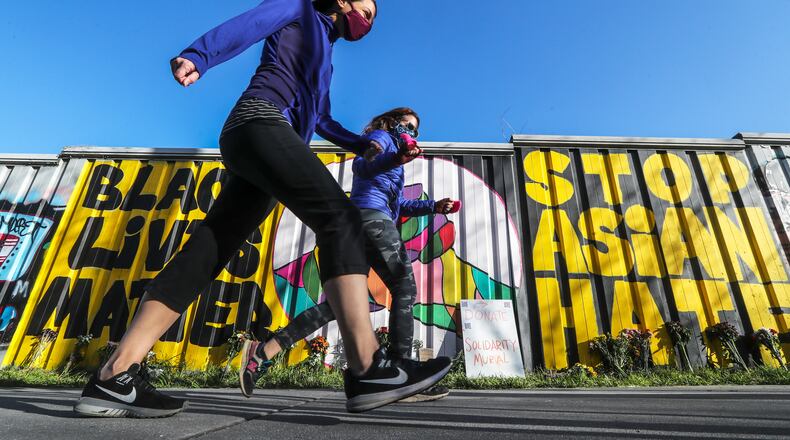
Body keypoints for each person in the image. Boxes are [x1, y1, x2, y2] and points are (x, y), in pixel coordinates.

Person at [74, 0, 450, 418]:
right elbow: (249, 25)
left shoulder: (325, 57)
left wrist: (362, 144)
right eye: (367, 10)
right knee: (339, 218)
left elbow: (321, 118)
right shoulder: (301, 9)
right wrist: (199, 55)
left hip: (265, 141)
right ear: (343, 1)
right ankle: (367, 367)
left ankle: (114, 375)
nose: (369, 22)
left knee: (207, 252)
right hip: (260, 122)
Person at [239, 108, 461, 403]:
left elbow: (397, 206)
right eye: (406, 124)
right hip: (373, 223)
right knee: (404, 287)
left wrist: (434, 206)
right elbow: (362, 166)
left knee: (339, 305)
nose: (411, 131)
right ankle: (398, 372)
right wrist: (395, 157)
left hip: (362, 224)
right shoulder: (382, 138)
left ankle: (266, 351)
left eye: (415, 129)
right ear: (392, 122)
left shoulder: (396, 150)